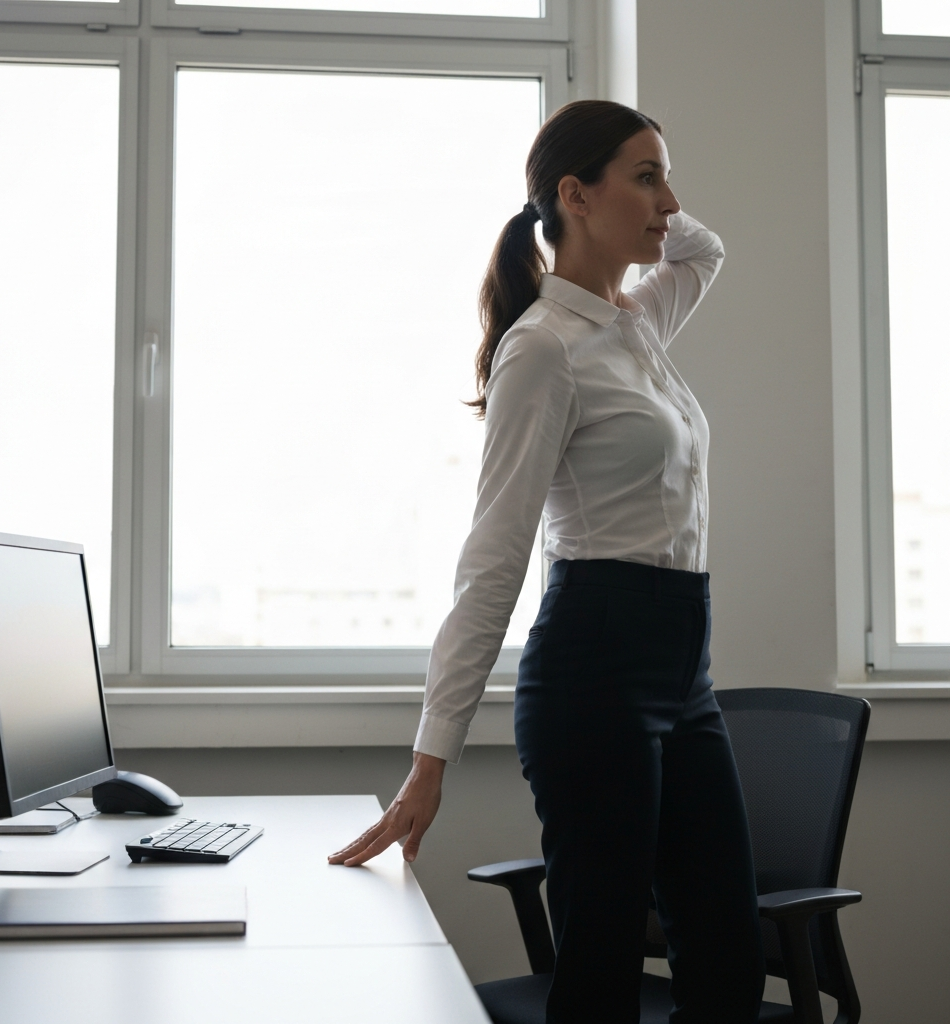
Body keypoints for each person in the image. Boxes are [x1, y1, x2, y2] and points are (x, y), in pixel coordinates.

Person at [329, 99, 766, 1023]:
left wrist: (641, 203)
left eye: (666, 175)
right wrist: (430, 760)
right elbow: (492, 558)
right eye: (646, 177)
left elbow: (705, 250)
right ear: (575, 193)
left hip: (685, 668)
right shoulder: (544, 350)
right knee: (601, 970)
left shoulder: (635, 323)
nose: (669, 199)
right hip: (594, 671)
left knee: (728, 956)